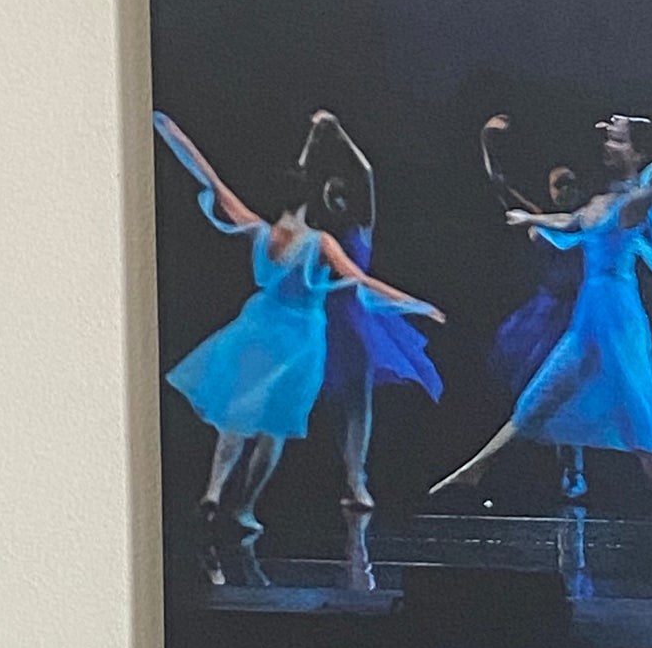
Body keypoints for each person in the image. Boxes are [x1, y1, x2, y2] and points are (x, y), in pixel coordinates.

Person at [429, 115, 652, 530]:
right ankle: (476, 467)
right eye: (609, 140)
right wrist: (532, 220)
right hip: (588, 317)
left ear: (636, 153)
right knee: (540, 397)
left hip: (617, 316)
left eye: (617, 141)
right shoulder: (600, 203)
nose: (608, 146)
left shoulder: (632, 201)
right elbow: (569, 222)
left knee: (640, 430)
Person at [155, 113, 444, 531]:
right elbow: (361, 280)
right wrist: (416, 304)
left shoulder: (258, 229)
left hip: (257, 325)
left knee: (237, 415)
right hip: (299, 339)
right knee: (273, 428)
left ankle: (214, 489)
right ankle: (243, 507)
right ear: (313, 197)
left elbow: (212, 180)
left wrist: (171, 131)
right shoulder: (320, 242)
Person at [298, 111, 442, 511]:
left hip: (360, 318)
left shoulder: (361, 228)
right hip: (323, 319)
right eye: (331, 193)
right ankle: (343, 473)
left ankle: (356, 477)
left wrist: (340, 133)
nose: (337, 197)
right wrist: (314, 136)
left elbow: (368, 173)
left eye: (342, 193)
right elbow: (304, 176)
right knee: (331, 400)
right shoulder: (319, 233)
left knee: (359, 399)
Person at [481, 114, 590, 499]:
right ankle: (538, 466)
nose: (565, 190)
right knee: (543, 390)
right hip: (545, 314)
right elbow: (500, 187)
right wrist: (488, 141)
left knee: (574, 390)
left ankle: (573, 467)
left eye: (571, 183)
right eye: (558, 185)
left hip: (582, 313)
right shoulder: (541, 219)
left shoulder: (590, 218)